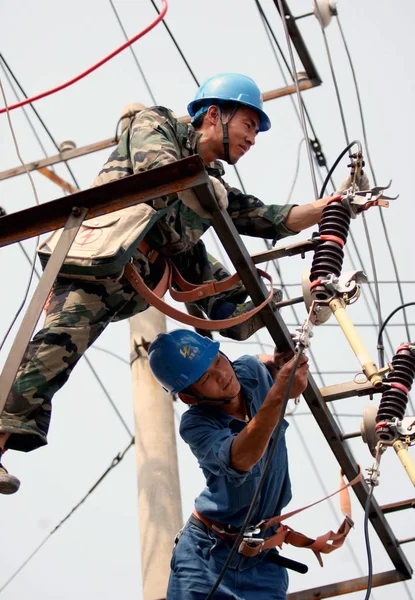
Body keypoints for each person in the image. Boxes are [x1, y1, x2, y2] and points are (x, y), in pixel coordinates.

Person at [0, 73, 337, 494]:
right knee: (55, 350)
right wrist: (210, 192)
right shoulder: (155, 124)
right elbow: (161, 172)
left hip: (148, 265)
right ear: (214, 114)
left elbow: (262, 216)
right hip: (104, 256)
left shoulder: (211, 177)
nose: (253, 138)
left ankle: (267, 347)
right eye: (249, 125)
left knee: (240, 302)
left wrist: (329, 208)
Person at [148, 329, 309, 600]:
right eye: (206, 377)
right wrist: (278, 394)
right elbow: (242, 458)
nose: (222, 375)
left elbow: (271, 371)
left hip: (263, 559)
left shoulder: (249, 371)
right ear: (189, 397)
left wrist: (280, 365)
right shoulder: (197, 424)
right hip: (206, 558)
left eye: (218, 361)